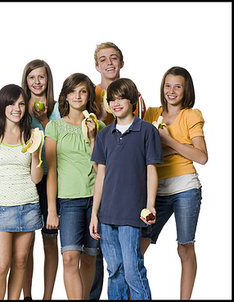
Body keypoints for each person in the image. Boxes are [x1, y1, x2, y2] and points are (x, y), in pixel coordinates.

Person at [89, 78, 163, 300]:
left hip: (132, 214)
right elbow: (100, 175)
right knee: (115, 271)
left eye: (121, 98)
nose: (116, 103)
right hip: (107, 214)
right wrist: (94, 214)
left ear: (132, 100)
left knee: (133, 270)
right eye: (112, 99)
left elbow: (151, 171)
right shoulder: (104, 135)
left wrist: (150, 205)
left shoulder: (147, 131)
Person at [140, 66, 208, 300]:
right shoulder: (151, 114)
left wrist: (167, 140)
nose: (172, 90)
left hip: (186, 188)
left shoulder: (191, 115)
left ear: (185, 89)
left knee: (184, 246)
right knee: (138, 246)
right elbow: (144, 152)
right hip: (155, 189)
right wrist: (179, 148)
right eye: (168, 85)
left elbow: (201, 157)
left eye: (178, 86)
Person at [90, 41, 147, 299]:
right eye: (103, 59)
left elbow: (140, 145)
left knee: (131, 263)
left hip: (129, 193)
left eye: (114, 58)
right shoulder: (89, 95)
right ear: (96, 65)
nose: (109, 63)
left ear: (121, 62)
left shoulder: (138, 103)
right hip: (100, 186)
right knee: (107, 263)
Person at [0, 84, 43, 300]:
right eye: (12, 103)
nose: (17, 108)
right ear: (2, 105)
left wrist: (35, 153)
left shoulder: (31, 134)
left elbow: (36, 178)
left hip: (28, 204)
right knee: (1, 263)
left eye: (22, 103)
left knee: (21, 261)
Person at [44, 73, 105, 299]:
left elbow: (102, 170)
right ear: (66, 96)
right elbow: (51, 171)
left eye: (83, 91)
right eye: (72, 91)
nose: (77, 96)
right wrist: (52, 209)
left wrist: (92, 138)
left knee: (90, 258)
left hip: (96, 200)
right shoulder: (55, 127)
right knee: (69, 257)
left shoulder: (98, 126)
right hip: (69, 201)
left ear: (89, 96)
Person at [20, 59, 60, 300]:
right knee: (25, 245)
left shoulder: (57, 107)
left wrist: (45, 120)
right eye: (32, 77)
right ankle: (27, 295)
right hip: (24, 179)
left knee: (49, 241)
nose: (37, 82)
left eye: (41, 77)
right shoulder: (20, 106)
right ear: (26, 80)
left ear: (48, 80)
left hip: (49, 179)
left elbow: (61, 144)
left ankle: (47, 296)